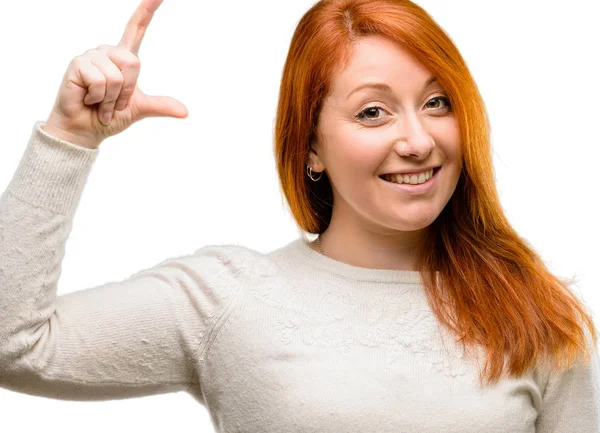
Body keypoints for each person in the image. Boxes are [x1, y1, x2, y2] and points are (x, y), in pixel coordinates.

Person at [0, 0, 598, 431]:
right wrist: (69, 138)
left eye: (437, 103)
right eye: (373, 113)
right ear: (310, 145)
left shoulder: (533, 314)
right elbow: (14, 346)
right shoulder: (226, 298)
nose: (418, 140)